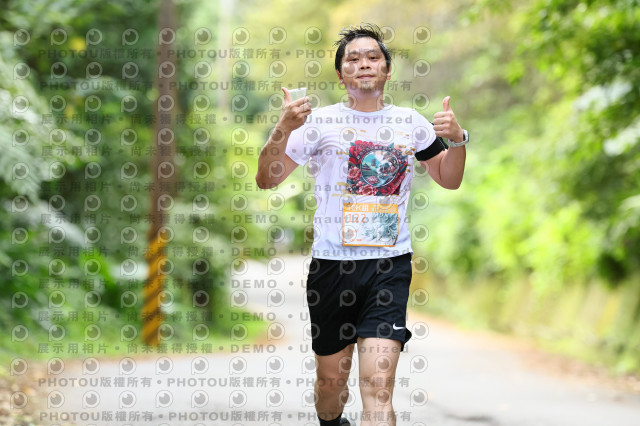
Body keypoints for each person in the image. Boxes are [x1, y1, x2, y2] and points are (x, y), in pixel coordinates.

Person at [256, 23, 468, 426]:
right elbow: (267, 178)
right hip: (331, 267)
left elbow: (449, 178)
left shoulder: (411, 123)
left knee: (378, 386)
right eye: (353, 59)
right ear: (341, 75)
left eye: (373, 57)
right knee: (330, 385)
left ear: (387, 70)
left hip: (389, 266)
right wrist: (283, 127)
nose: (364, 64)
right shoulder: (317, 123)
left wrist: (457, 140)